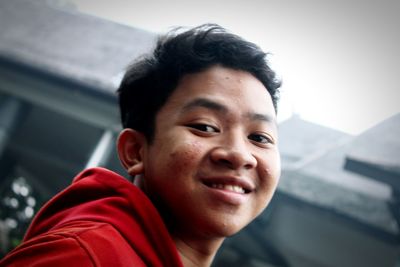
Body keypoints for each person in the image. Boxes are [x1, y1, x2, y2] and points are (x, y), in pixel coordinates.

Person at [0, 24, 281, 267]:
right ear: (135, 150)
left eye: (259, 137)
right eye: (205, 127)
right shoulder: (83, 256)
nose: (239, 155)